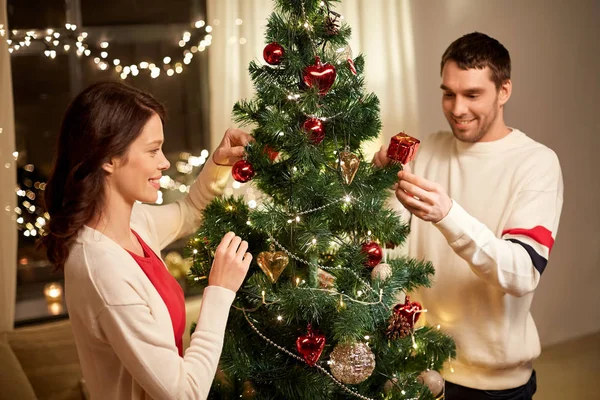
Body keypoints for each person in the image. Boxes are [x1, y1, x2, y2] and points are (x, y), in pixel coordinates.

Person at [374, 32, 563, 399]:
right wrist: (379, 183)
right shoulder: (427, 151)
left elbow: (523, 271)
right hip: (417, 366)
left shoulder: (537, 163)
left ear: (504, 91)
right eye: (449, 93)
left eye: (472, 95)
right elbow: (389, 246)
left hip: (493, 385)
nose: (457, 108)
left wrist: (448, 215)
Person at [39, 81, 253, 400]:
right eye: (153, 150)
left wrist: (219, 163)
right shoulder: (103, 270)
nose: (164, 162)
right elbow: (185, 393)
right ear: (108, 158)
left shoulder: (133, 221)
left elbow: (190, 210)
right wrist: (220, 291)